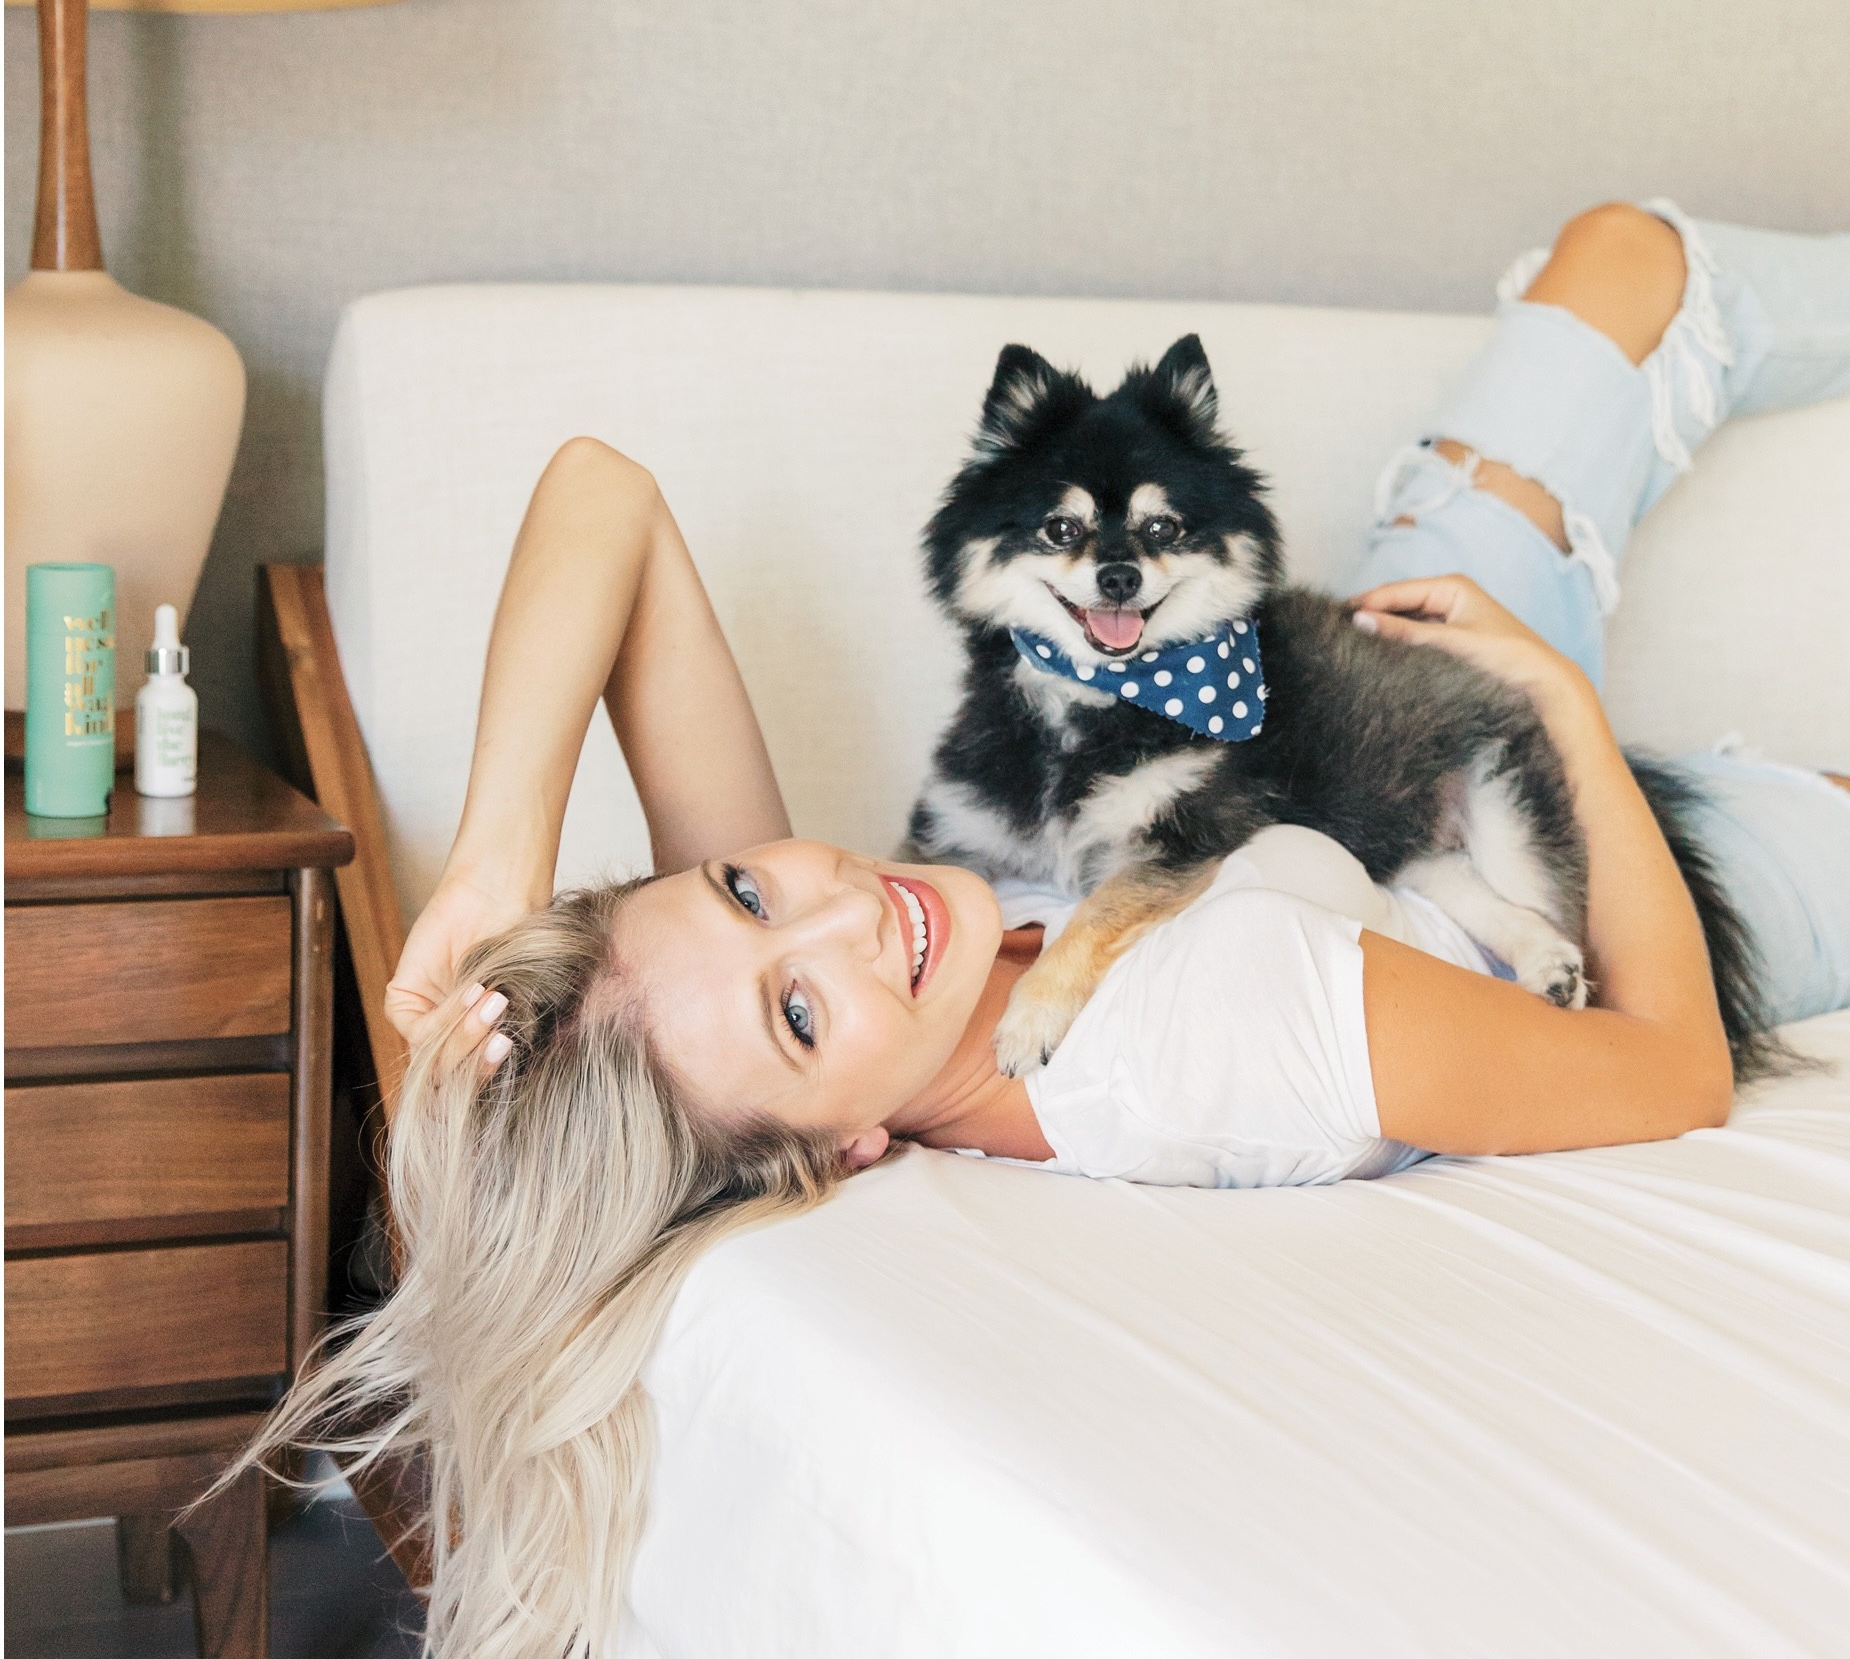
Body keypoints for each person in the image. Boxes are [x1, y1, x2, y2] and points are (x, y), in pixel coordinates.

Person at [243, 202, 1850, 1658]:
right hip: (1583, 853)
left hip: (1344, 692)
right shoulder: (1220, 1023)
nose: (841, 915)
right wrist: (1556, 707)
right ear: (841, 1152)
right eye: (799, 1012)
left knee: (1625, 257)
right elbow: (1665, 1066)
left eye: (743, 886)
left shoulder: (845, 993)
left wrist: (491, 863)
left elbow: (605, 496)